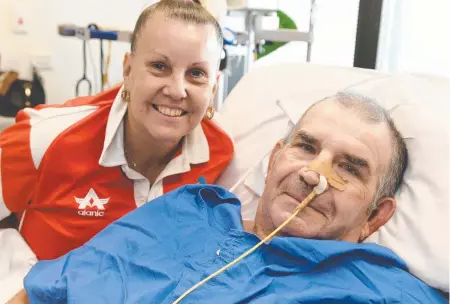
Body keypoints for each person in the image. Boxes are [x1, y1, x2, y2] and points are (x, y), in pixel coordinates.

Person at [9, 92, 446, 303]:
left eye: (349, 168)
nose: (314, 174)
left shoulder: (385, 291)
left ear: (377, 216)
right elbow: (44, 292)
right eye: (306, 147)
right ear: (274, 161)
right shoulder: (188, 211)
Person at [0, 0, 234, 261]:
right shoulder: (44, 139)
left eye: (196, 74)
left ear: (213, 86)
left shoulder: (221, 153)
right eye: (159, 66)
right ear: (128, 69)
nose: (177, 90)